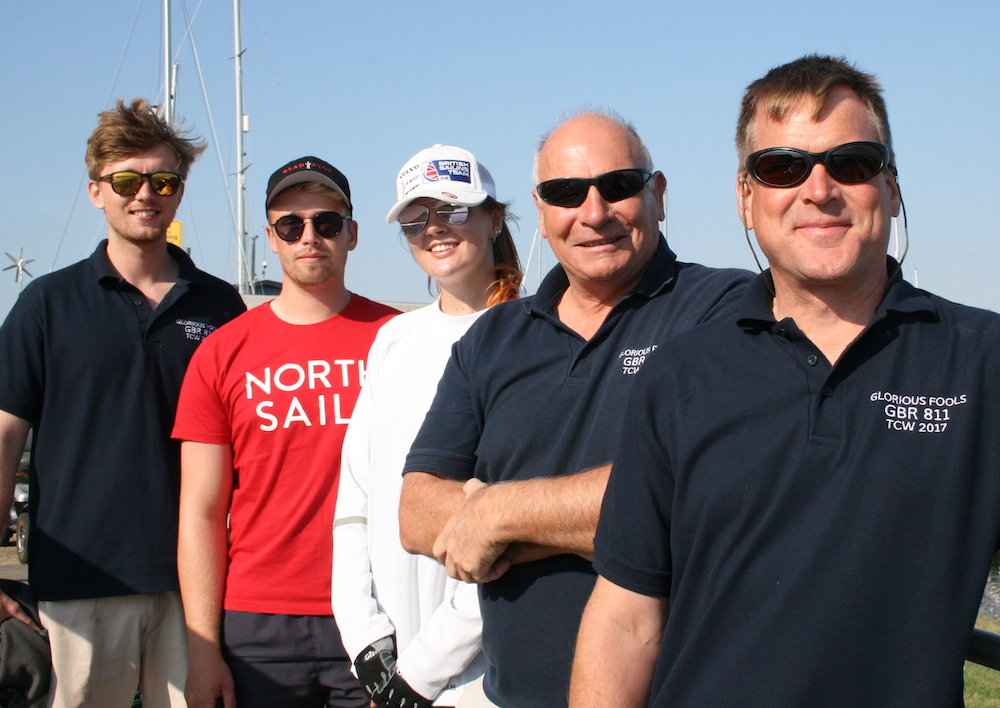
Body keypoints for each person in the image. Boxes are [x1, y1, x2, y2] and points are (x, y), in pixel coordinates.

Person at [571, 54, 1000, 708]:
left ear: (892, 186)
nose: (819, 189)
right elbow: (627, 616)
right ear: (747, 198)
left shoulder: (983, 361)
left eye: (851, 162)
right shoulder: (679, 376)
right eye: (783, 167)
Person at [398, 111, 751, 708]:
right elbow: (415, 513)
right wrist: (567, 517)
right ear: (540, 212)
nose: (594, 212)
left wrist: (496, 514)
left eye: (617, 186)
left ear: (657, 195)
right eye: (566, 193)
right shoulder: (492, 337)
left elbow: (701, 497)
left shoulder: (725, 308)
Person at [0, 97, 246, 707]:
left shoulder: (222, 308)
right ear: (96, 192)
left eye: (163, 180)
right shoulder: (47, 306)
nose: (146, 194)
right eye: (127, 180)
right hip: (80, 583)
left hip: (198, 588)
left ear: (179, 192)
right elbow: (4, 441)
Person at [174, 155, 398, 708]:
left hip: (377, 611)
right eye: (291, 225)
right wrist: (203, 653)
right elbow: (201, 511)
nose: (310, 237)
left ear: (352, 234)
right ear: (270, 238)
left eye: (326, 223)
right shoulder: (221, 352)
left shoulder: (399, 339)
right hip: (257, 621)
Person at [332, 144, 522, 708]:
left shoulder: (533, 340)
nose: (434, 229)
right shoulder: (392, 339)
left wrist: (420, 672)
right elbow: (355, 499)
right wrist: (365, 639)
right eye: (416, 220)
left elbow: (510, 526)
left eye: (453, 210)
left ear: (494, 218)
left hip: (481, 673)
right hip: (387, 666)